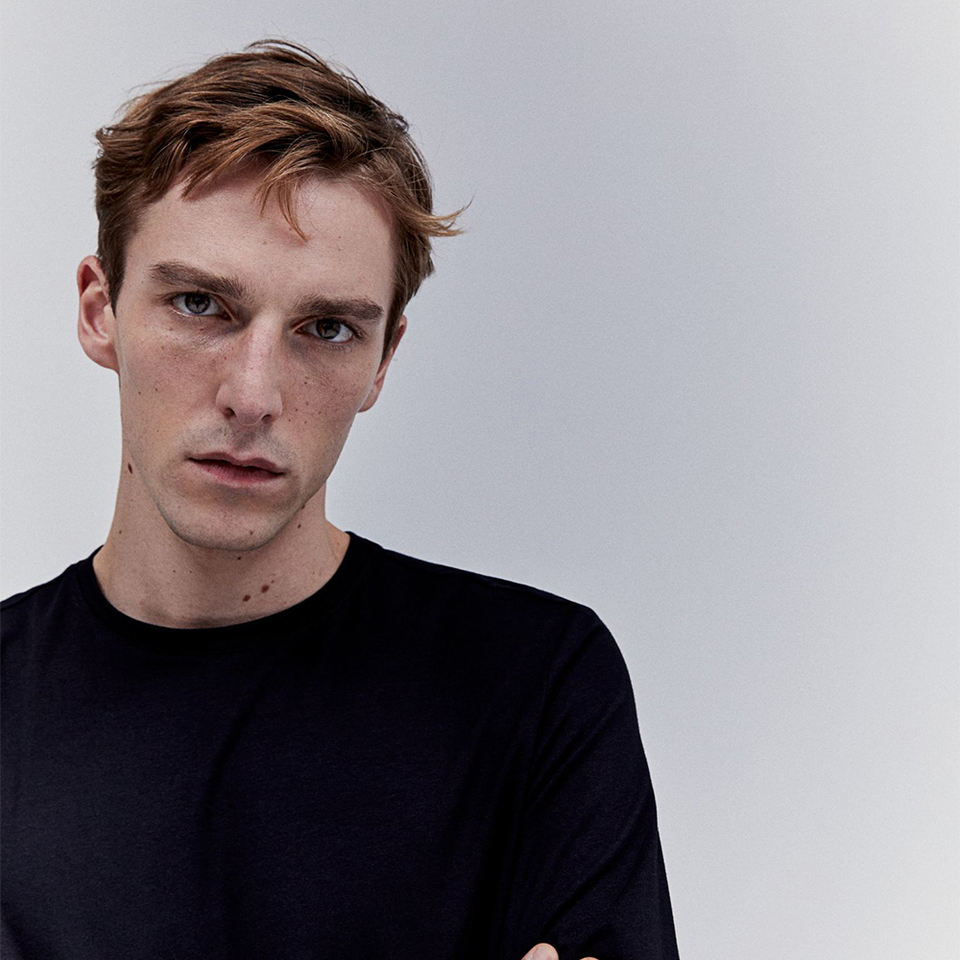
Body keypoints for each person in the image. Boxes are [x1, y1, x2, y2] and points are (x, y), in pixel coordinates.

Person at [1, 41, 679, 960]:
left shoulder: (533, 686)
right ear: (99, 311)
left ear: (383, 359)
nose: (253, 395)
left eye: (325, 328)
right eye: (200, 304)